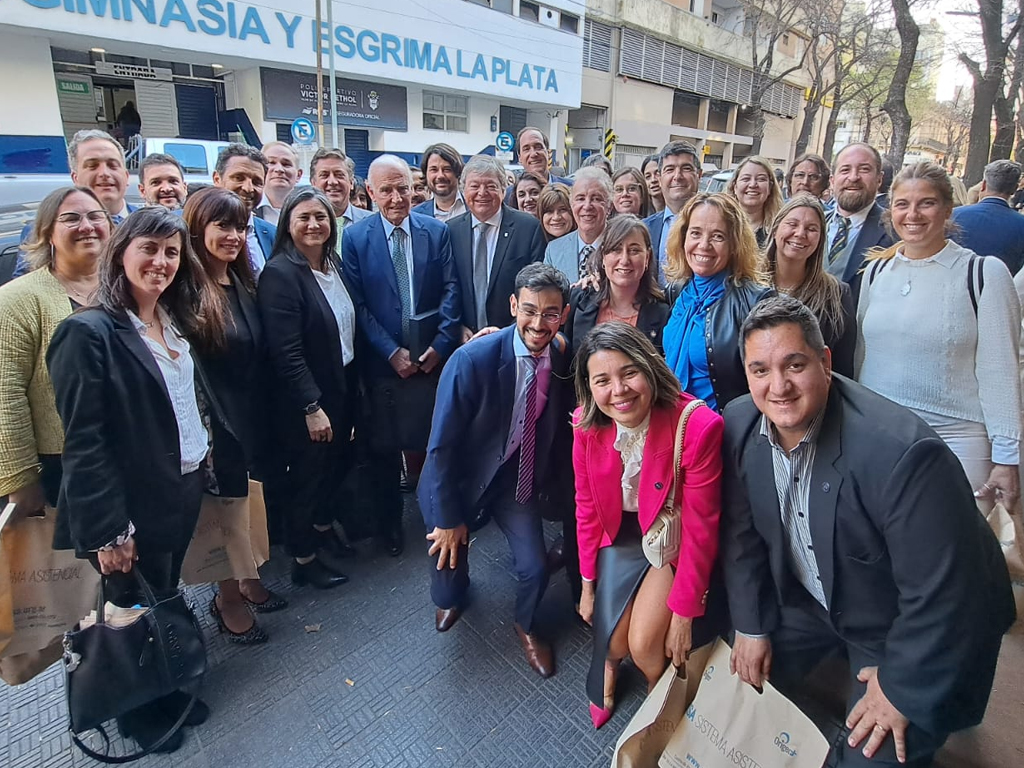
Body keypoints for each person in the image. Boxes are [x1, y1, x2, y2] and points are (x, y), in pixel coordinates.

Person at [722, 294, 1015, 768]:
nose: (778, 386)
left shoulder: (901, 454)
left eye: (794, 365)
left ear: (825, 361)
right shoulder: (739, 423)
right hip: (815, 601)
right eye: (760, 370)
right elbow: (741, 537)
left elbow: (946, 594)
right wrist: (751, 626)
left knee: (870, 755)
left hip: (900, 622)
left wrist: (900, 686)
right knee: (728, 688)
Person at [47, 207, 225, 753]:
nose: (161, 262)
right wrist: (108, 530)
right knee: (126, 607)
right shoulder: (88, 333)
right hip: (129, 507)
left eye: (171, 252)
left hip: (181, 485)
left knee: (163, 593)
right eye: (149, 249)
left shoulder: (169, 320)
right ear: (120, 252)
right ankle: (135, 712)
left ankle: (164, 689)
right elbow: (85, 440)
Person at [418, 263, 574, 678]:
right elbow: (442, 448)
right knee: (448, 566)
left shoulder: (560, 352)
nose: (539, 324)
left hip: (512, 479)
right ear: (512, 306)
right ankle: (452, 597)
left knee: (535, 568)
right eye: (529, 310)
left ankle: (526, 625)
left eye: (550, 313)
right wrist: (450, 519)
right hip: (458, 481)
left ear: (564, 314)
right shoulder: (472, 360)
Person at [573, 322, 724, 728]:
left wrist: (684, 616)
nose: (618, 391)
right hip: (618, 535)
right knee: (614, 639)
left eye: (628, 373)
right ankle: (607, 661)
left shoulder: (696, 426)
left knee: (642, 646)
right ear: (589, 389)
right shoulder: (586, 426)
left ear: (649, 368)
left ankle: (666, 697)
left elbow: (700, 527)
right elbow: (586, 507)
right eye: (602, 380)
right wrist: (587, 585)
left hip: (665, 536)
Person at [856, 161, 1021, 507]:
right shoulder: (875, 273)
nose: (913, 214)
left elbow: (1001, 372)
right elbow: (862, 355)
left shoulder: (983, 274)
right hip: (880, 435)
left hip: (957, 440)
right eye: (902, 204)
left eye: (926, 203)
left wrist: (1007, 458)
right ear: (891, 211)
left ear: (948, 209)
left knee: (956, 549)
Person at [342, 155, 461, 557]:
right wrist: (390, 352)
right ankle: (388, 527)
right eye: (387, 190)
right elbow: (357, 304)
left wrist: (441, 345)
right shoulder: (355, 238)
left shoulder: (435, 231)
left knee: (434, 443)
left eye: (403, 188)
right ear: (371, 193)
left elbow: (450, 291)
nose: (397, 198)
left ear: (415, 189)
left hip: (429, 360)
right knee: (382, 451)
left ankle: (438, 517)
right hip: (382, 365)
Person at [183, 187, 286, 641]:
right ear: (197, 229)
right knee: (223, 510)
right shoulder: (185, 292)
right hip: (218, 423)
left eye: (241, 227)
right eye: (222, 226)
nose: (234, 236)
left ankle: (247, 579)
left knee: (248, 504)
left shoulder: (240, 280)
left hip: (254, 413)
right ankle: (226, 600)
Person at [258, 187, 359, 588]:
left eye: (321, 217)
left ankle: (320, 529)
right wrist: (310, 406)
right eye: (304, 218)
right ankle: (303, 558)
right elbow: (286, 350)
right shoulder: (281, 274)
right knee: (307, 475)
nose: (314, 225)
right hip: (311, 395)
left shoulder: (332, 263)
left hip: (344, 381)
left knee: (333, 466)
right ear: (288, 225)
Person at [0, 187, 111, 516]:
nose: (87, 226)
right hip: (58, 468)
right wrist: (21, 483)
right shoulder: (17, 299)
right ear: (47, 232)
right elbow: (5, 394)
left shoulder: (124, 288)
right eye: (71, 219)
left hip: (123, 459)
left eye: (95, 216)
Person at [662, 193, 770, 413]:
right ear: (683, 238)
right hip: (674, 428)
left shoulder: (756, 302)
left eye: (718, 236)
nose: (704, 245)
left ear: (734, 244)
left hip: (723, 434)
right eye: (695, 233)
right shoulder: (677, 292)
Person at [446, 156, 546, 337]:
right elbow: (446, 287)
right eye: (474, 186)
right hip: (463, 340)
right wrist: (457, 327)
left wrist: (509, 332)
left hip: (512, 336)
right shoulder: (450, 231)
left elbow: (536, 288)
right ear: (463, 190)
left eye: (491, 186)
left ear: (503, 189)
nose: (482, 193)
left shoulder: (528, 228)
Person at [762, 195, 855, 376]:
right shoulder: (746, 284)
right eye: (792, 224)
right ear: (775, 229)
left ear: (820, 239)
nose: (800, 233)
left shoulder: (837, 294)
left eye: (811, 229)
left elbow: (843, 368)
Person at [564, 214, 669, 355]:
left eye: (634, 250)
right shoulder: (579, 301)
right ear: (603, 256)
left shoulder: (663, 314)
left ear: (647, 257)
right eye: (616, 249)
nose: (624, 260)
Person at [825, 143, 894, 284]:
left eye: (864, 169)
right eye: (845, 170)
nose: (853, 177)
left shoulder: (893, 232)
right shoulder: (814, 224)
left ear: (879, 179)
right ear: (832, 181)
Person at [212, 143, 276, 276]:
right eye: (238, 178)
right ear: (217, 179)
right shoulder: (191, 230)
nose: (248, 188)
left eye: (257, 182)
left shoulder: (272, 234)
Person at [951, 159, 1024, 275]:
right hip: (1000, 289)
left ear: (983, 185)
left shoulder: (953, 215)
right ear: (1014, 189)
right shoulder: (1021, 224)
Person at [643, 141, 702, 277]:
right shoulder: (645, 228)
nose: (677, 176)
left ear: (699, 174)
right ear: (659, 177)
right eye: (670, 169)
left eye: (686, 168)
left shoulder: (716, 225)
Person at [544, 168, 613, 283]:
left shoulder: (621, 246)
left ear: (609, 207)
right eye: (580, 198)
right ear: (572, 205)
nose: (587, 206)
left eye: (596, 199)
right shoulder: (554, 250)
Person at [308, 147, 373, 232]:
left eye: (339, 175)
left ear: (351, 182)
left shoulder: (372, 223)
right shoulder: (304, 225)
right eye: (324, 175)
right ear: (313, 183)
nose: (332, 182)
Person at [503, 127, 571, 204]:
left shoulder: (571, 189)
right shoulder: (507, 196)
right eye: (526, 149)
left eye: (538, 147)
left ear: (548, 153)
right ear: (520, 158)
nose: (533, 154)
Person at [726, 156, 783, 247]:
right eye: (746, 179)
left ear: (770, 188)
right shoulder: (722, 224)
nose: (753, 185)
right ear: (734, 187)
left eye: (761, 179)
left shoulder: (779, 230)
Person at [413, 143, 467, 221]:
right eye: (434, 170)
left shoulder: (475, 208)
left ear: (458, 172)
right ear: (426, 174)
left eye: (447, 169)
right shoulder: (415, 215)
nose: (440, 176)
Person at [256, 141, 303, 225]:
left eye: (286, 164)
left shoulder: (308, 208)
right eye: (271, 163)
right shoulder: (247, 208)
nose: (279, 169)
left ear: (298, 175)